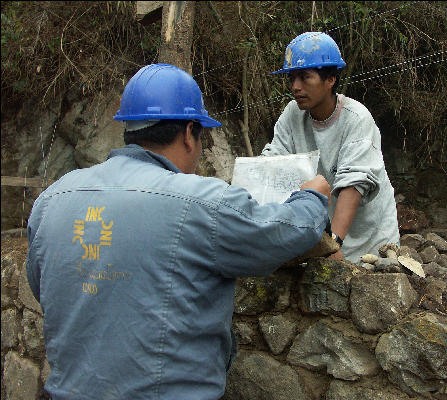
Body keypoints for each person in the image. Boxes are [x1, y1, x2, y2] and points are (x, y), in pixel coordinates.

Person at [26, 63, 331, 400]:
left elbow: (44, 286)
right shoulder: (200, 201)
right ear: (189, 133)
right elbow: (283, 232)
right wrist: (313, 195)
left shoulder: (53, 198)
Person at [262, 32, 400, 263]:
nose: (295, 87)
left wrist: (333, 244)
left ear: (330, 80)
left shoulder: (356, 119)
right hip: (322, 237)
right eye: (292, 78)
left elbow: (354, 184)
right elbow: (275, 166)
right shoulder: (292, 114)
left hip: (369, 239)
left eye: (305, 77)